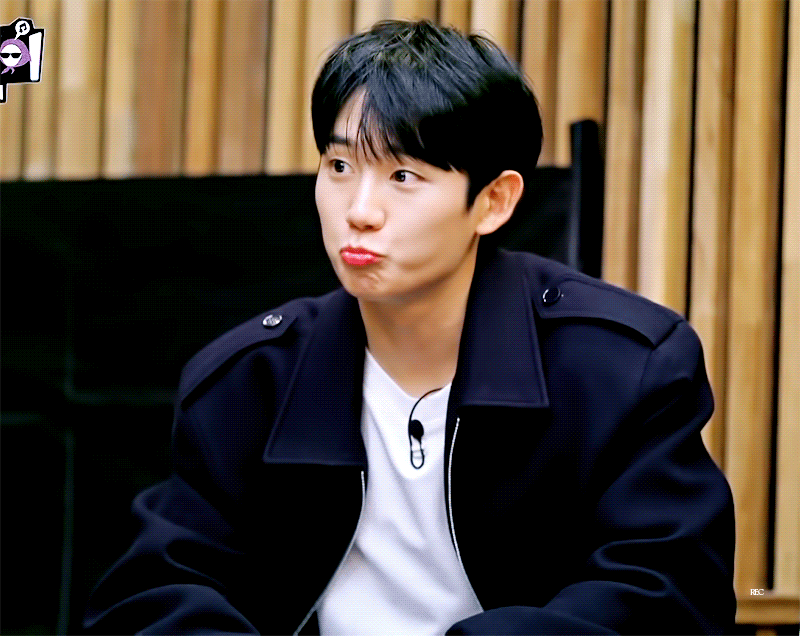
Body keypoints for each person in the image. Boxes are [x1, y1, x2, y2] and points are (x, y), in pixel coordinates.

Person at [84, 19, 735, 635]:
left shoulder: (623, 368)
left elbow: (667, 589)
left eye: (402, 175)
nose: (359, 211)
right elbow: (153, 591)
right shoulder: (249, 381)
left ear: (493, 201)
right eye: (340, 167)